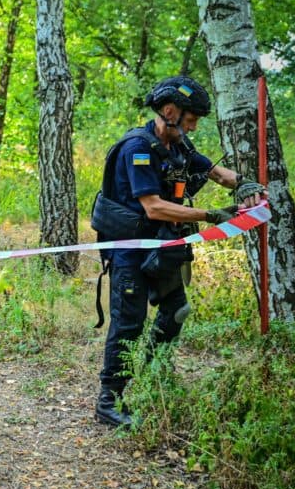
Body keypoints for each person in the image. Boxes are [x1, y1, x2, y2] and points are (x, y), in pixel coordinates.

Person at [92, 76, 267, 428]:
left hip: (164, 246)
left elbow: (214, 172)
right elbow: (154, 207)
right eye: (190, 118)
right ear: (169, 111)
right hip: (131, 250)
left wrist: (244, 183)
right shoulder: (137, 149)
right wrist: (210, 216)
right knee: (129, 324)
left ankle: (151, 374)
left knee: (177, 311)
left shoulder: (179, 146)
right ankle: (110, 400)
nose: (193, 126)